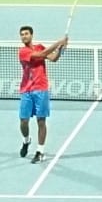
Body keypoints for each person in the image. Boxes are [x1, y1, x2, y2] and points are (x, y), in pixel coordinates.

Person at [17, 25, 68, 164]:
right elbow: (41, 55)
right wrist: (58, 42)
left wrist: (61, 48)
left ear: (31, 35)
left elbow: (53, 58)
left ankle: (40, 151)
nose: (24, 36)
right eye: (22, 34)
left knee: (41, 121)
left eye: (26, 34)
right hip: (26, 90)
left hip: (41, 89)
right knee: (23, 121)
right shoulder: (23, 51)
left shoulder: (39, 47)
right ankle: (26, 140)